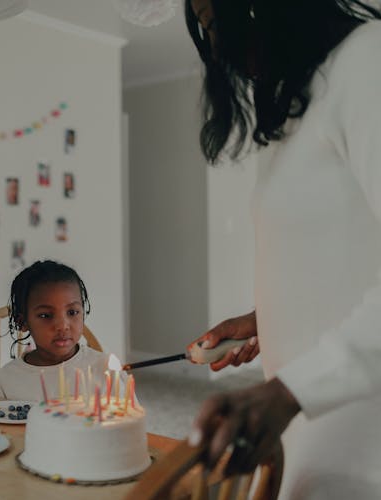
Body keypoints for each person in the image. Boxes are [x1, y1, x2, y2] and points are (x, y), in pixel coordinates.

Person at [183, 1, 381, 497]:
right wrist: (267, 318)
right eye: (207, 33)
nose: (220, 51)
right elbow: (340, 247)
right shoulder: (295, 102)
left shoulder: (367, 62)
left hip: (362, 432)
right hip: (307, 424)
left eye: (218, 25)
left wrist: (291, 390)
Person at [0, 260, 116, 401]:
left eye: (72, 312)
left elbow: (129, 420)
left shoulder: (105, 370)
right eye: (45, 315)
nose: (63, 325)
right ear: (22, 322)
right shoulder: (10, 377)